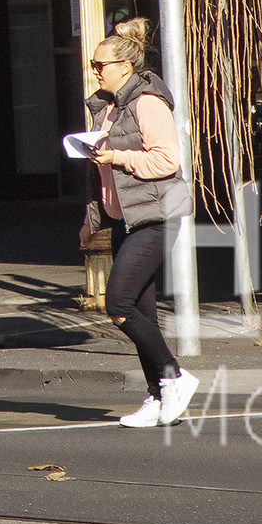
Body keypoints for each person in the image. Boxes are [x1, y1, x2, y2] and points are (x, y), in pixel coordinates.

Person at [76, 32, 194, 425]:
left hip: (158, 215)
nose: (95, 71)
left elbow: (166, 161)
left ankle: (175, 375)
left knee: (119, 303)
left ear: (125, 67)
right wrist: (91, 222)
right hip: (127, 219)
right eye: (94, 64)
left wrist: (119, 156)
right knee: (142, 309)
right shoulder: (107, 109)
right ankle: (159, 397)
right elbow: (102, 180)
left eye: (101, 65)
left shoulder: (147, 102)